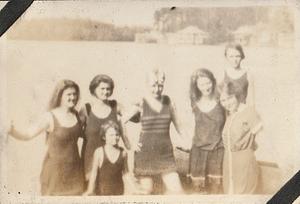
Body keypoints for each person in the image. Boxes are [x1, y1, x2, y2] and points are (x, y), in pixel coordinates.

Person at [8, 79, 85, 195]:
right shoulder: (49, 117)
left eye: (75, 94)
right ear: (60, 96)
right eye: (69, 94)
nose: (73, 97)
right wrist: (11, 130)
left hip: (75, 173)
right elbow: (28, 134)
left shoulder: (77, 116)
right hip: (55, 175)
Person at [123, 68, 189, 195]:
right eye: (153, 85)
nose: (157, 89)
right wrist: (129, 144)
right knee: (146, 192)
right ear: (147, 85)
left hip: (165, 154)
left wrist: (188, 142)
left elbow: (179, 125)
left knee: (177, 191)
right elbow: (121, 121)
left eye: (160, 86)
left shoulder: (168, 102)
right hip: (145, 154)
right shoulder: (141, 103)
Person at [80, 74, 131, 181]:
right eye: (102, 89)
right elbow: (74, 132)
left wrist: (137, 108)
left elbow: (133, 117)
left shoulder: (115, 106)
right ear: (94, 89)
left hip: (111, 160)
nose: (105, 92)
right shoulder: (86, 109)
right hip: (89, 160)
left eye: (108, 89)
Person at [219, 82, 263, 194]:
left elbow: (264, 140)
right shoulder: (230, 116)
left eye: (229, 98)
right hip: (228, 165)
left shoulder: (249, 112)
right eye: (223, 100)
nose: (226, 103)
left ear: (237, 95)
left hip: (245, 164)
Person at [188, 68, 226, 194]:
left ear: (213, 82)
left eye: (208, 82)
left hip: (217, 150)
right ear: (196, 86)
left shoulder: (222, 101)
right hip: (198, 151)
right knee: (198, 192)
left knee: (216, 191)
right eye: (202, 84)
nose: (206, 87)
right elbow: (188, 125)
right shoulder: (194, 102)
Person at [83, 120, 134, 195]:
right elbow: (94, 174)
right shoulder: (99, 152)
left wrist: (134, 188)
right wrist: (90, 190)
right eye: (111, 135)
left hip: (118, 191)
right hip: (102, 191)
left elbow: (126, 173)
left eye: (117, 135)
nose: (115, 137)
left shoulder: (123, 152)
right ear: (104, 137)